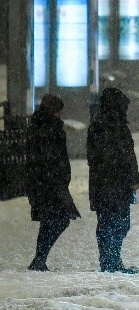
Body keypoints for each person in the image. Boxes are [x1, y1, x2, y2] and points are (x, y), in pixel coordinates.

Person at [87, 87, 139, 273]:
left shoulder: (103, 126)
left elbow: (126, 156)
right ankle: (110, 260)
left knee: (112, 222)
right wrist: (130, 177)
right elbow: (126, 156)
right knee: (114, 223)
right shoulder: (112, 127)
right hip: (114, 183)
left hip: (107, 183)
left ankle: (111, 259)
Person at [25, 95, 80, 271]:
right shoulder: (47, 128)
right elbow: (50, 157)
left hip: (47, 182)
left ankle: (40, 259)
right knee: (59, 219)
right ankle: (39, 259)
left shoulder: (41, 126)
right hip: (50, 183)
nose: (59, 115)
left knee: (51, 220)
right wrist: (57, 178)